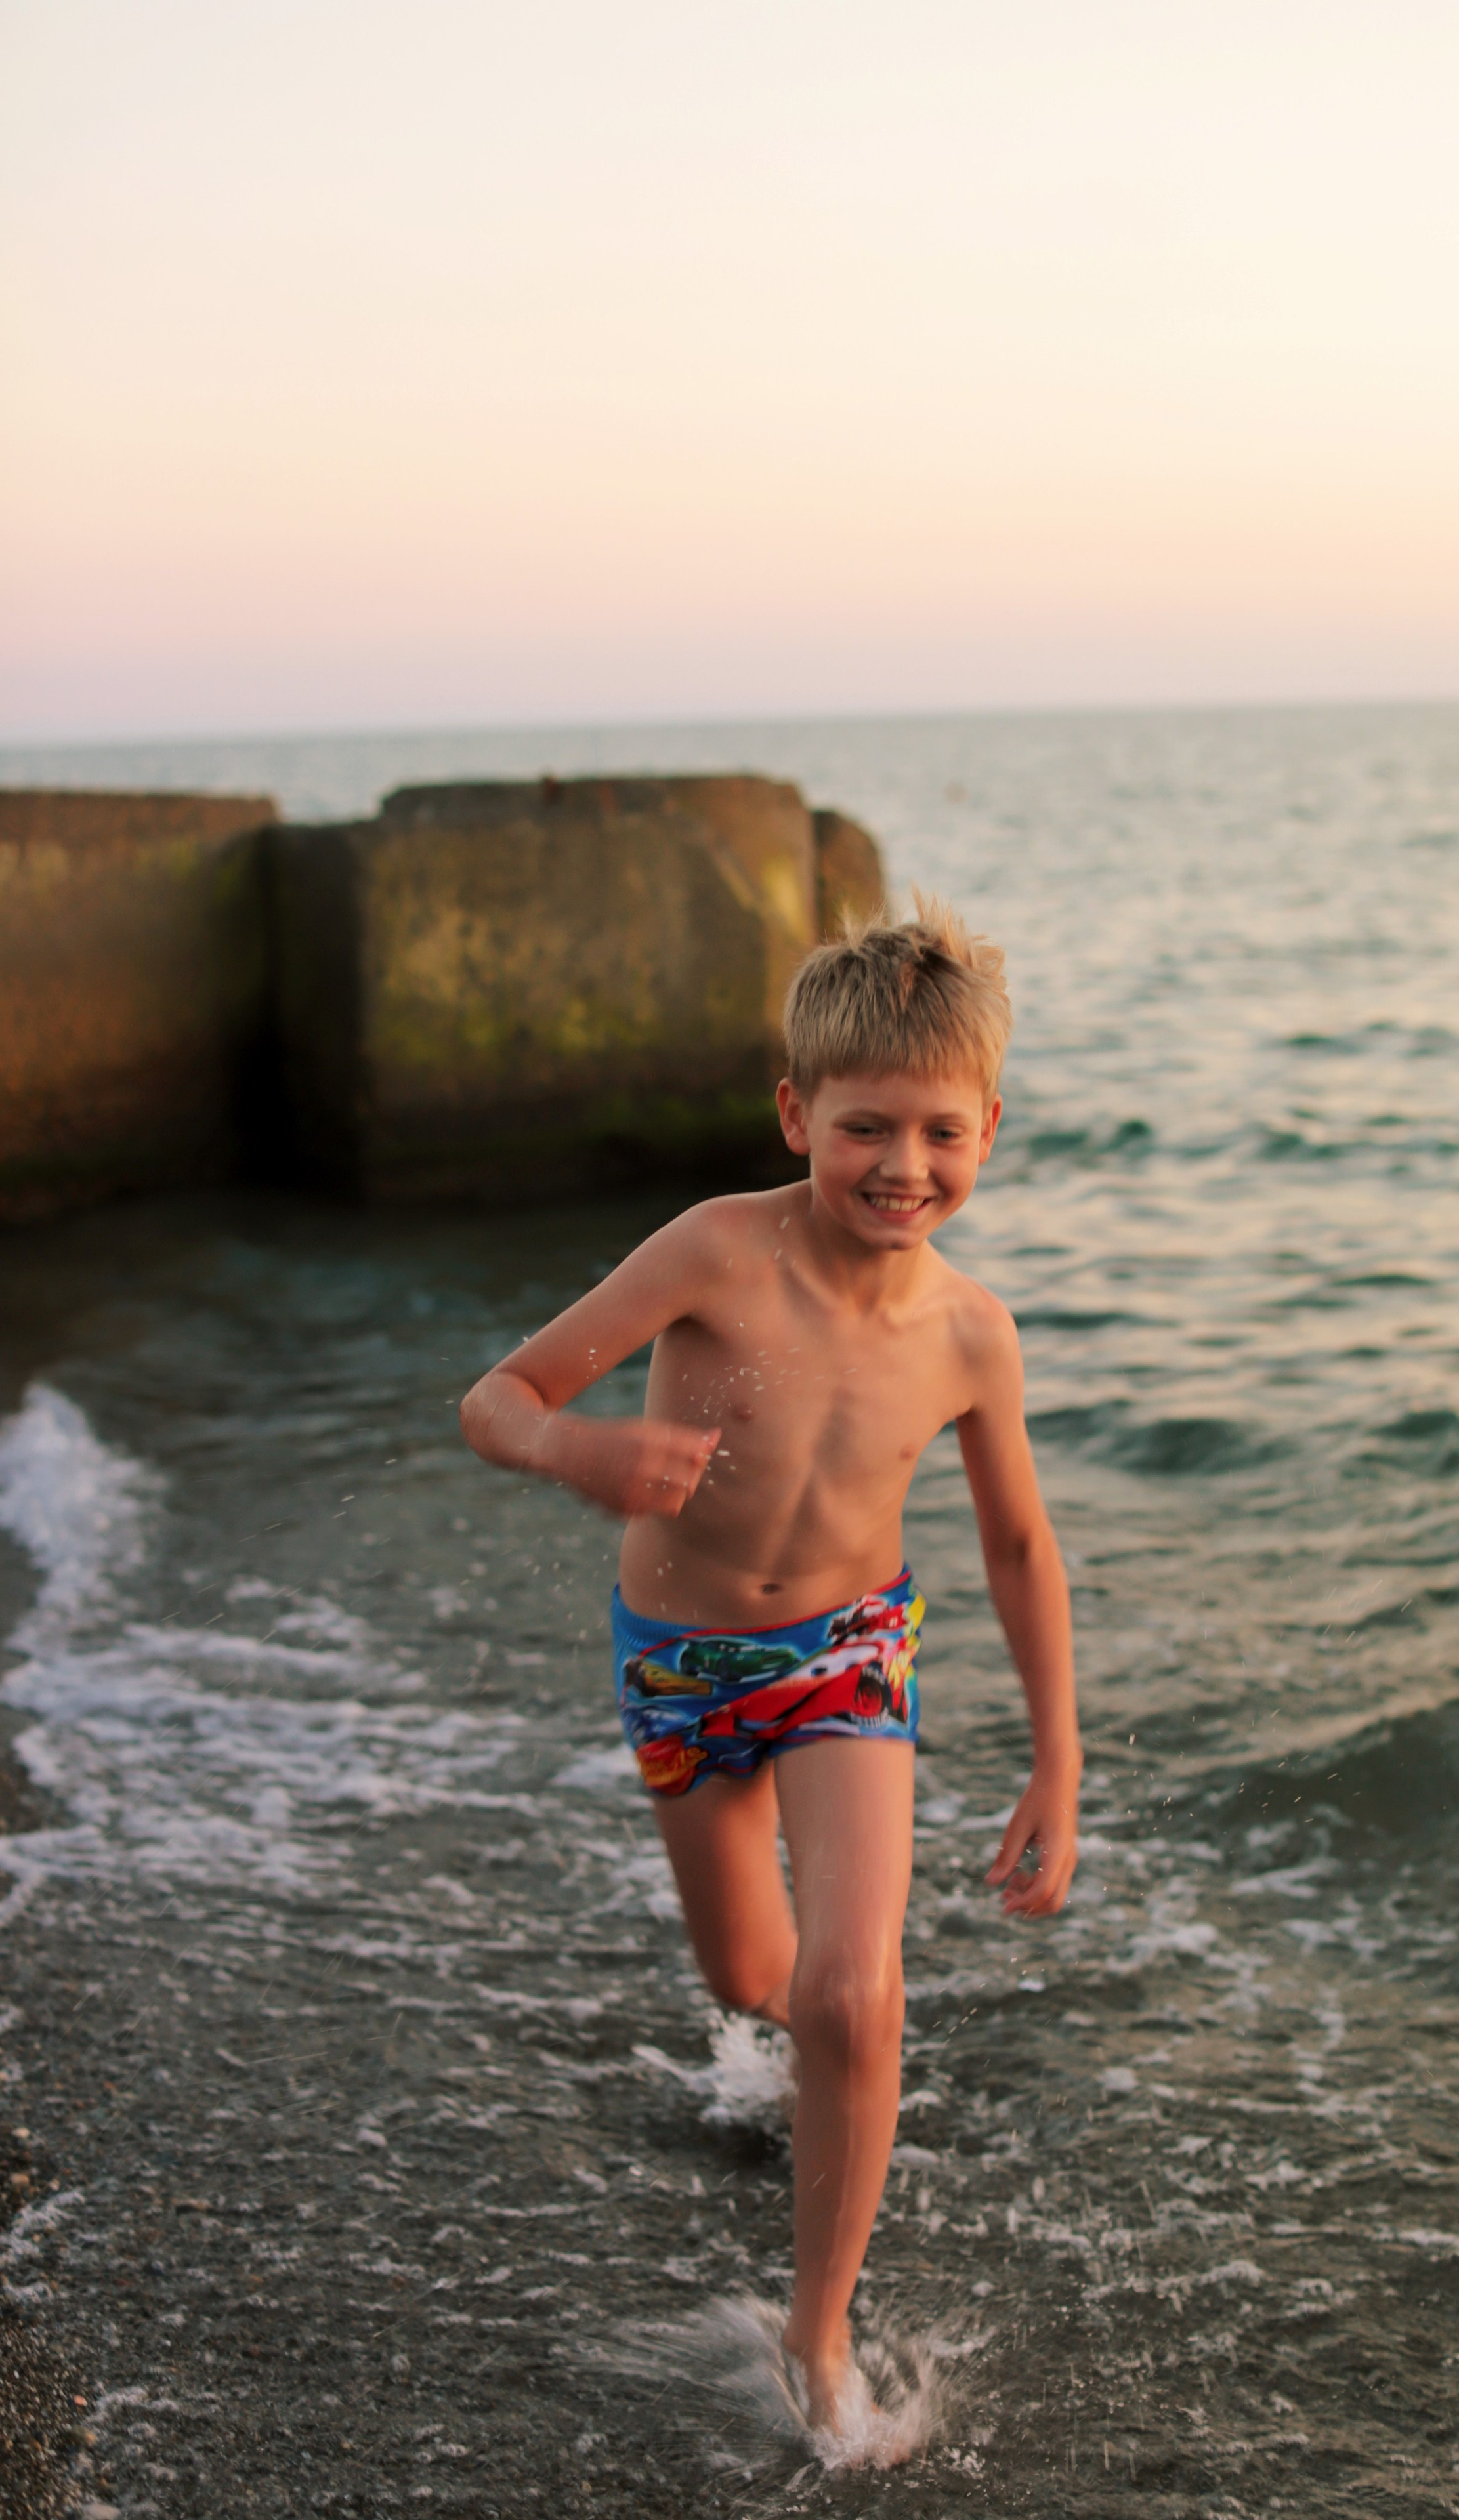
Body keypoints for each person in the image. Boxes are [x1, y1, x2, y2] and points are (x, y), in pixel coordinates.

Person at [458, 898, 1080, 2440]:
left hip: (848, 1655)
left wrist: (1057, 1760)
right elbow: (499, 1395)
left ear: (987, 1128)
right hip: (677, 1665)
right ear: (797, 1111)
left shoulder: (968, 1336)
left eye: (941, 1133)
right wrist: (576, 1447)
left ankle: (817, 2330)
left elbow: (1015, 1549)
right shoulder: (718, 1253)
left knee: (851, 1988)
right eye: (865, 1126)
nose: (902, 1167)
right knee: (754, 1981)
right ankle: (808, 2067)